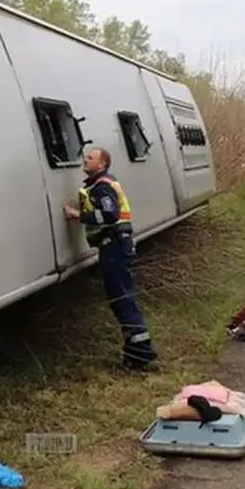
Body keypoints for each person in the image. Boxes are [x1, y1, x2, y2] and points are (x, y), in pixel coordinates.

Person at [62, 147, 158, 371]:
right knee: (122, 298)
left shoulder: (102, 186)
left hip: (113, 246)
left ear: (102, 164)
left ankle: (141, 354)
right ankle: (137, 352)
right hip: (116, 245)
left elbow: (110, 214)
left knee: (122, 299)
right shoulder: (100, 184)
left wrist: (78, 215)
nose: (85, 160)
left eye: (90, 158)